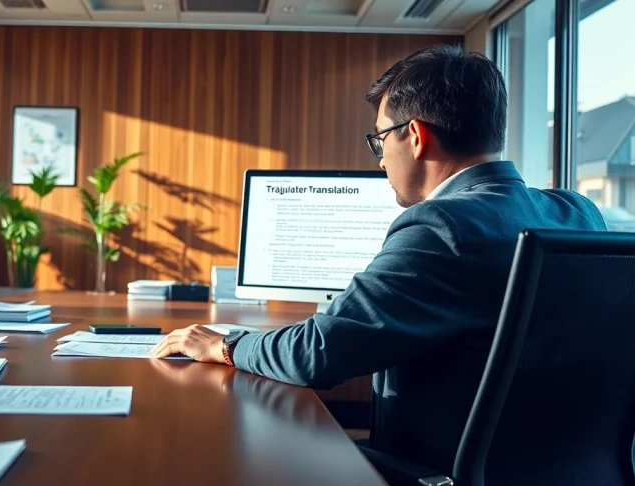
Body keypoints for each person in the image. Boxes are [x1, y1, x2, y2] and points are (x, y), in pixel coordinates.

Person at [150, 44, 607, 475]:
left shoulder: (440, 227)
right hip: (574, 472)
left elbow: (317, 353)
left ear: (414, 136)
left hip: (442, 471)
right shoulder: (577, 212)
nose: (380, 161)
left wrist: (224, 345)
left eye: (380, 139)